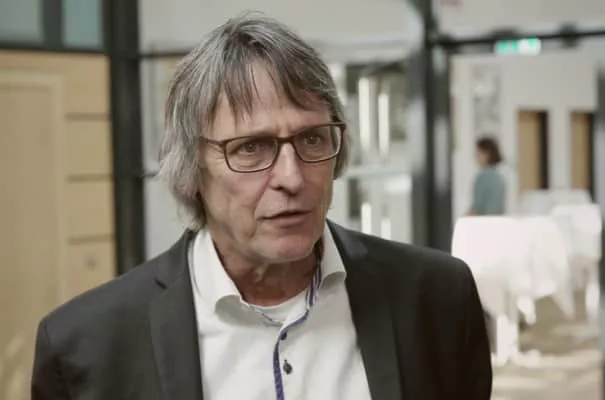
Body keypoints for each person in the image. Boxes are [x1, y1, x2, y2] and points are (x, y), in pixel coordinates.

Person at [31, 14, 491, 400]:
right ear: (191, 169)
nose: (292, 177)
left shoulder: (437, 299)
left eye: (312, 139)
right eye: (251, 148)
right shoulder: (86, 349)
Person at [469, 136, 506, 216]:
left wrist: (461, 220)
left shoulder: (482, 178)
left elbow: (476, 209)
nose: (476, 157)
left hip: (483, 221)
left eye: (478, 153)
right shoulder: (499, 178)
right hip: (497, 221)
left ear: (486, 154)